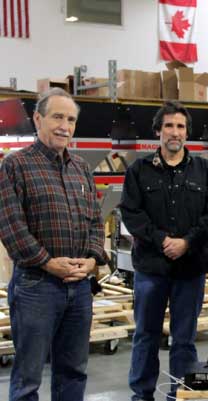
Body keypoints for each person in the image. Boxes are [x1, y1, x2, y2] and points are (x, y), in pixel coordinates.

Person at [0, 88, 105, 401]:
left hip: (79, 286)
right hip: (36, 286)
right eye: (57, 117)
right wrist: (47, 262)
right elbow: (11, 226)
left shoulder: (81, 168)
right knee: (28, 377)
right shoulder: (15, 165)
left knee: (73, 371)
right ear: (37, 119)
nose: (64, 126)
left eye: (70, 120)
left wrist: (92, 259)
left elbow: (96, 221)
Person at [120, 101, 208, 400]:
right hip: (151, 268)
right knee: (145, 336)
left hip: (190, 269)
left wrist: (187, 242)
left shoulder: (205, 170)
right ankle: (142, 395)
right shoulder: (139, 170)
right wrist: (162, 240)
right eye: (169, 125)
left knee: (184, 339)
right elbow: (131, 213)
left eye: (180, 126)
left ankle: (181, 395)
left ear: (187, 133)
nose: (175, 132)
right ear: (158, 131)